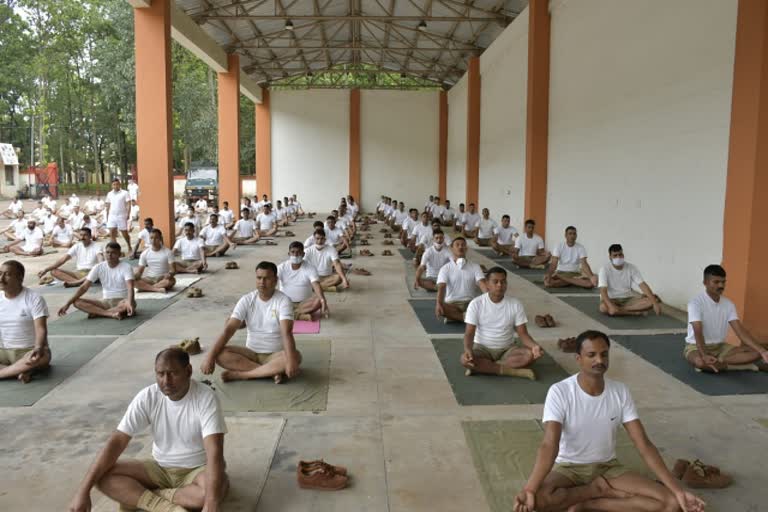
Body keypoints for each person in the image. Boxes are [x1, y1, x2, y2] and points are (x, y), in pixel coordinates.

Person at [513, 330, 706, 512]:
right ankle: (594, 491)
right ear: (578, 359)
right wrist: (529, 489)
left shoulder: (620, 391)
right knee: (537, 500)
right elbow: (549, 444)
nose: (599, 360)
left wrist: (678, 491)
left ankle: (591, 504)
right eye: (591, 355)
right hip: (569, 468)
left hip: (608, 468)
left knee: (671, 503)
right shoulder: (560, 392)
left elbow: (644, 445)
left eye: (604, 354)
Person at [67, 348, 228, 512]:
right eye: (160, 374)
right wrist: (83, 491)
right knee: (101, 475)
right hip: (159, 468)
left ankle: (139, 497)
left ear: (188, 371)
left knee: (212, 492)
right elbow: (117, 441)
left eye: (173, 373)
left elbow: (214, 452)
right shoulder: (147, 396)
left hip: (197, 469)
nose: (166, 381)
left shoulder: (206, 398)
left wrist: (211, 505)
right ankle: (166, 507)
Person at [201, 261, 301, 384]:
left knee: (294, 356)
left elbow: (287, 333)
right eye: (259, 278)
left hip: (275, 355)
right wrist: (209, 357)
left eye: (267, 278)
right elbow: (228, 330)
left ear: (275, 280)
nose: (262, 282)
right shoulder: (246, 300)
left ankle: (244, 375)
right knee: (220, 354)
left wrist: (291, 361)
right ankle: (271, 373)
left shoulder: (283, 301)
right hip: (251, 354)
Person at [461, 266, 543, 380]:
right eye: (495, 282)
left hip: (507, 349)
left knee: (530, 355)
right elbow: (469, 333)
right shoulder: (476, 304)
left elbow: (523, 334)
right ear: (487, 284)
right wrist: (468, 351)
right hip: (482, 348)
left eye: (503, 282)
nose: (500, 285)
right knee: (464, 360)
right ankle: (513, 371)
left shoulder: (515, 304)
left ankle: (485, 367)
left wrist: (534, 346)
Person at [684, 264, 768, 373]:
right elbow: (698, 331)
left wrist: (762, 351)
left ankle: (718, 363)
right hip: (695, 346)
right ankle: (743, 366)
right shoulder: (695, 303)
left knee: (757, 352)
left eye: (723, 282)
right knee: (700, 362)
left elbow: (740, 331)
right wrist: (704, 354)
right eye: (716, 282)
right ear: (705, 282)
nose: (721, 285)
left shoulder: (728, 304)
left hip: (721, 348)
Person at [0, 261, 50, 384]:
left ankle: (8, 371)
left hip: (28, 352)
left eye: (7, 274)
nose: (1, 278)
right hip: (3, 352)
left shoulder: (34, 298)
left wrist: (38, 347)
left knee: (42, 356)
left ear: (20, 277)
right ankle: (19, 371)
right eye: (0, 273)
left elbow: (40, 329)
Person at [58, 242, 136, 320]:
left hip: (122, 300)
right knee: (76, 302)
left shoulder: (126, 267)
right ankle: (109, 314)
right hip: (105, 301)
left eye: (113, 253)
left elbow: (130, 287)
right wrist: (67, 304)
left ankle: (98, 313)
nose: (109, 255)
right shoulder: (98, 267)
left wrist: (129, 302)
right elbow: (84, 287)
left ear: (119, 254)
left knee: (128, 304)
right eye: (107, 252)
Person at [598, 244, 661, 317]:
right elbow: (603, 291)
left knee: (651, 301)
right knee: (603, 308)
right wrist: (610, 305)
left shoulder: (631, 267)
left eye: (620, 254)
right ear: (610, 257)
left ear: (623, 254)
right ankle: (634, 312)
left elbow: (642, 285)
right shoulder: (604, 269)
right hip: (612, 299)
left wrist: (655, 303)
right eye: (615, 255)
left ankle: (619, 310)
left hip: (628, 298)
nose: (618, 257)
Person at [435, 238, 488, 323]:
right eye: (457, 245)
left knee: (484, 305)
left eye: (463, 245)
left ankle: (456, 317)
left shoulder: (475, 266)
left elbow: (482, 284)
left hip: (470, 303)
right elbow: (441, 287)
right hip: (452, 304)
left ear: (466, 248)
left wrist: (489, 299)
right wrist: (439, 303)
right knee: (441, 307)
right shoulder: (445, 268)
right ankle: (467, 318)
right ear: (451, 248)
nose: (460, 247)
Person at [278, 242, 330, 321]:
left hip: (304, 304)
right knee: (272, 307)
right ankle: (299, 316)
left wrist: (323, 301)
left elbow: (316, 285)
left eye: (298, 252)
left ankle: (291, 314)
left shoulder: (310, 268)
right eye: (293, 252)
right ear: (289, 253)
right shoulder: (281, 267)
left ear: (303, 254)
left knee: (319, 300)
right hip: (285, 303)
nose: (295, 255)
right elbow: (272, 282)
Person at [38, 227, 104, 287]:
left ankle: (77, 282)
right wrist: (45, 270)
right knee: (53, 271)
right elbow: (63, 260)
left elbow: (100, 259)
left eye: (85, 235)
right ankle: (78, 282)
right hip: (79, 273)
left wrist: (99, 267)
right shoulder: (77, 246)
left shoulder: (97, 246)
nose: (82, 237)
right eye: (81, 235)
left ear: (90, 236)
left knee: (97, 269)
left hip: (91, 273)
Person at [105, 178, 132, 247]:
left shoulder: (125, 193)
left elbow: (129, 204)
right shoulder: (109, 194)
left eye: (117, 184)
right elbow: (108, 206)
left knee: (124, 232)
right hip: (112, 215)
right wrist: (107, 216)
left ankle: (129, 246)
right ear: (112, 185)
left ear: (120, 185)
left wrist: (128, 214)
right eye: (114, 184)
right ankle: (115, 249)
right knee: (112, 233)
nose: (115, 186)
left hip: (121, 215)